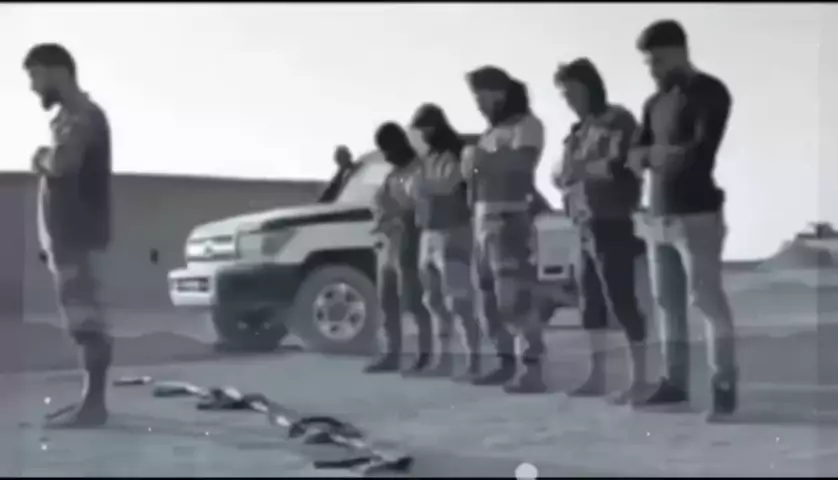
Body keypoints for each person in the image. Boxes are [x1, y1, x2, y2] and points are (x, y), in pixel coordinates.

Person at [627, 20, 737, 419]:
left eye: (657, 60)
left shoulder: (709, 91)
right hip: (658, 216)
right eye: (648, 62)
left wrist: (655, 155)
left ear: (679, 51)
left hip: (697, 215)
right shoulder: (653, 103)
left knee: (706, 301)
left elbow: (699, 152)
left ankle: (723, 388)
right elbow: (635, 154)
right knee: (666, 304)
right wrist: (659, 154)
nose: (652, 69)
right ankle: (673, 385)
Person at [24, 43, 114, 427]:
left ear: (57, 71)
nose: (33, 87)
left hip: (78, 238)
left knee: (87, 322)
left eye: (35, 76)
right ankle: (89, 402)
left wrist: (40, 157)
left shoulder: (81, 116)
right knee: (82, 321)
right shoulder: (71, 116)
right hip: (69, 240)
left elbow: (63, 163)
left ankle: (93, 407)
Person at [552, 58, 650, 404]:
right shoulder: (577, 131)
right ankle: (598, 376)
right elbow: (562, 173)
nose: (569, 100)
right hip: (582, 221)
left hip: (613, 219)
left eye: (573, 92)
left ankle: (640, 379)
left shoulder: (618, 120)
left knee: (621, 299)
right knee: (590, 302)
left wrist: (580, 169)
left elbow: (621, 164)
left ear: (590, 87)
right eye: (564, 95)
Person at [461, 66, 548, 394]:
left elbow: (521, 165)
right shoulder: (490, 134)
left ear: (499, 93)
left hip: (509, 219)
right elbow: (474, 178)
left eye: (481, 97)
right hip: (481, 221)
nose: (479, 105)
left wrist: (480, 159)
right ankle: (504, 363)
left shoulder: (527, 125)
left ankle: (532, 370)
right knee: (487, 299)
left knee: (514, 298)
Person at [407, 103, 482, 380]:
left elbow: (447, 184)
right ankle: (444, 360)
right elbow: (412, 188)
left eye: (424, 129)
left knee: (458, 300)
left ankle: (473, 361)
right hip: (429, 232)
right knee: (434, 300)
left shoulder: (455, 153)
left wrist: (420, 185)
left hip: (453, 231)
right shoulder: (428, 157)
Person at [364, 122, 434, 374]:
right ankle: (392, 354)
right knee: (388, 303)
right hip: (390, 247)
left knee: (415, 302)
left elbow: (423, 208)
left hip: (412, 245)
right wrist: (385, 218)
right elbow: (379, 206)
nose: (386, 156)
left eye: (387, 149)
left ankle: (425, 355)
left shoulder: (420, 171)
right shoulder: (392, 176)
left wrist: (400, 216)